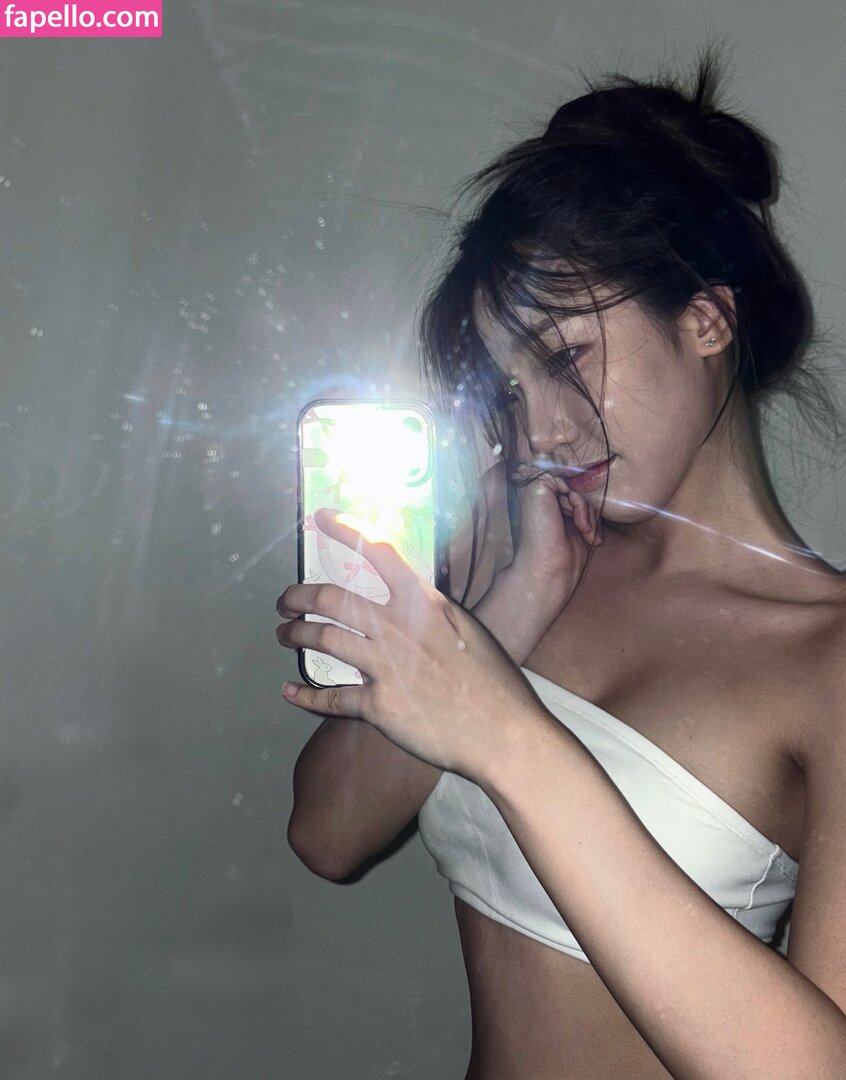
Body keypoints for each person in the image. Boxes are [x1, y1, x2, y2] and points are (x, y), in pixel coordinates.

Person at [276, 47, 846, 1079]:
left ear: (707, 319)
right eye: (509, 386)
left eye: (564, 357)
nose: (541, 431)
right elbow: (326, 835)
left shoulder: (828, 656)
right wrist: (514, 606)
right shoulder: (516, 556)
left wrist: (505, 732)